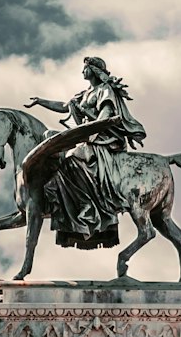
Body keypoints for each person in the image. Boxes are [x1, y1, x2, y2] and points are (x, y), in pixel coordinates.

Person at [25, 56, 146, 250]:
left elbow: (105, 116)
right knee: (50, 140)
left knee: (71, 160)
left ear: (94, 70)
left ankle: (86, 207)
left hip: (100, 140)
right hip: (84, 137)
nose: (82, 71)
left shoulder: (104, 91)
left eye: (85, 68)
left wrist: (86, 132)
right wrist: (40, 102)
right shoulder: (85, 93)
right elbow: (64, 106)